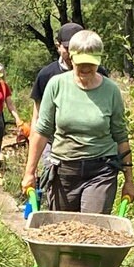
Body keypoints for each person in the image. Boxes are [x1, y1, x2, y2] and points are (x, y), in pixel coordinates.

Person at [22, 29, 134, 214]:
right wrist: (30, 172)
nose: (85, 68)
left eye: (90, 64)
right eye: (80, 62)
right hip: (64, 171)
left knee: (91, 230)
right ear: (71, 58)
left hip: (101, 170)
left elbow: (121, 137)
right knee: (64, 233)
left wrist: (129, 181)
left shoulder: (111, 91)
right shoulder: (56, 85)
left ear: (99, 60)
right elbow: (42, 132)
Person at [28, 23, 108, 208]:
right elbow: (38, 118)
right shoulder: (47, 75)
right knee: (54, 190)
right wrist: (31, 163)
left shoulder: (99, 73)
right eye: (67, 47)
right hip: (54, 146)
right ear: (59, 46)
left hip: (92, 154)